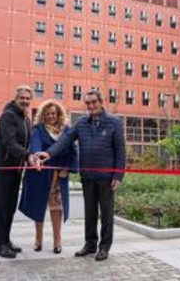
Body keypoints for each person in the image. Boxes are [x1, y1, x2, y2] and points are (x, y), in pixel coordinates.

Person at [37, 89, 125, 261]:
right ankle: (90, 244)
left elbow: (121, 151)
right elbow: (65, 139)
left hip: (107, 177)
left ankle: (104, 247)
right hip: (87, 175)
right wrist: (49, 153)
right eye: (88, 103)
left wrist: (118, 175)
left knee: (106, 213)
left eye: (93, 102)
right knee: (90, 212)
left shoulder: (114, 123)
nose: (91, 106)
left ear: (101, 102)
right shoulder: (82, 123)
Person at [19, 100, 76, 254]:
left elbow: (72, 151)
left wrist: (67, 168)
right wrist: (37, 159)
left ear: (58, 115)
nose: (51, 116)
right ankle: (38, 239)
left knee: (57, 208)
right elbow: (35, 146)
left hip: (59, 175)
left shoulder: (67, 130)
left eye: (54, 113)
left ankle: (57, 241)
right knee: (39, 207)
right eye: (48, 113)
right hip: (40, 174)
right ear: (43, 115)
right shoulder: (38, 129)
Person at [0, 85, 40, 259]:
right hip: (4, 168)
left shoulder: (26, 120)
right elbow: (9, 143)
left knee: (10, 207)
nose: (25, 101)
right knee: (1, 207)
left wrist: (33, 156)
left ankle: (6, 240)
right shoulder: (8, 116)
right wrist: (28, 156)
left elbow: (27, 143)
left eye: (28, 98)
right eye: (22, 98)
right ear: (16, 98)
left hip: (17, 169)